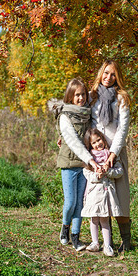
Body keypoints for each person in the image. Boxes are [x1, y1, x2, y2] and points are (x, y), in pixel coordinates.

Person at [90, 59, 131, 253]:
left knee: (120, 196)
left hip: (116, 151)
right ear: (101, 74)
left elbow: (123, 127)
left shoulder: (122, 97)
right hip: (97, 153)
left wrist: (113, 153)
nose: (108, 77)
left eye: (113, 74)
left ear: (118, 77)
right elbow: (86, 122)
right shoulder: (93, 96)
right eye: (106, 73)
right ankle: (107, 241)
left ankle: (126, 240)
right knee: (100, 196)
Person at [56, 78, 99, 251]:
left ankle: (76, 236)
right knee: (70, 202)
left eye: (83, 94)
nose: (81, 98)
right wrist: (91, 160)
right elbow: (73, 141)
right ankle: (65, 227)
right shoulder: (65, 116)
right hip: (69, 162)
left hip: (83, 164)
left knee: (80, 203)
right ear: (70, 96)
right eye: (77, 95)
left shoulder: (87, 114)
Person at [81, 128, 123, 256]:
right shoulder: (90, 158)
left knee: (105, 219)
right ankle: (95, 243)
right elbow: (86, 173)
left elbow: (119, 171)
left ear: (103, 139)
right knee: (94, 219)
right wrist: (97, 175)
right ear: (90, 145)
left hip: (107, 193)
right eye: (93, 143)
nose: (97, 144)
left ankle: (107, 245)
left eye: (99, 140)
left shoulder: (111, 155)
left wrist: (108, 172)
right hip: (94, 194)